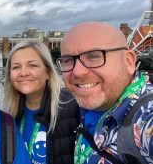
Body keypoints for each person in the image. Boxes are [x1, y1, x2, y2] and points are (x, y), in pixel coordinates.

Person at [56, 21, 153, 163]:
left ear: (129, 61)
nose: (77, 72)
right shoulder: (81, 108)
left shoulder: (145, 118)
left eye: (94, 56)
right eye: (68, 60)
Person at [4, 40, 79, 164]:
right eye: (16, 67)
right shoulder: (9, 116)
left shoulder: (72, 107)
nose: (23, 73)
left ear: (48, 73)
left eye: (32, 65)